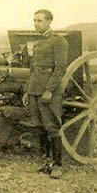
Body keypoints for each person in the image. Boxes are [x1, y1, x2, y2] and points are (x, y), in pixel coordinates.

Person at [22, 9, 68, 179]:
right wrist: (28, 91)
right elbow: (32, 69)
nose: (36, 24)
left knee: (52, 127)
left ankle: (57, 165)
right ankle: (46, 161)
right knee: (39, 125)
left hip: (48, 90)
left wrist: (49, 90)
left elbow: (60, 68)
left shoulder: (58, 41)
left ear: (49, 22)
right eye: (34, 20)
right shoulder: (37, 43)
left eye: (40, 21)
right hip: (34, 88)